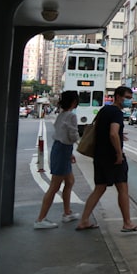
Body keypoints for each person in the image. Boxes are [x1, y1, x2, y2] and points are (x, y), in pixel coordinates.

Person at [76, 86, 137, 233]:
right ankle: (127, 223)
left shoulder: (104, 110)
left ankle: (84, 220)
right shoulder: (116, 113)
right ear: (118, 97)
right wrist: (119, 154)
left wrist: (120, 135)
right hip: (112, 157)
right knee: (122, 188)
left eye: (130, 98)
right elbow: (113, 133)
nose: (129, 101)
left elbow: (105, 131)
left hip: (99, 156)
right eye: (127, 97)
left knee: (99, 188)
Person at [34, 91, 81, 229]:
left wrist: (70, 153)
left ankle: (67, 213)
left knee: (70, 181)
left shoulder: (61, 115)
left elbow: (61, 134)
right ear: (74, 102)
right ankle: (40, 219)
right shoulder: (71, 116)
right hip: (62, 151)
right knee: (54, 186)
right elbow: (72, 136)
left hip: (61, 150)